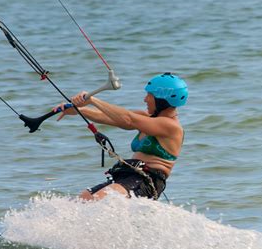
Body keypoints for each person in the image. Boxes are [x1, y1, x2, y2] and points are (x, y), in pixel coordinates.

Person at [56, 72, 188, 201]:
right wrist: (79, 111)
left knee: (100, 200)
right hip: (126, 175)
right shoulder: (146, 119)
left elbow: (128, 119)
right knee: (82, 200)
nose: (145, 99)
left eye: (150, 95)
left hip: (147, 181)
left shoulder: (171, 126)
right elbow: (111, 118)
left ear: (162, 99)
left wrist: (92, 100)